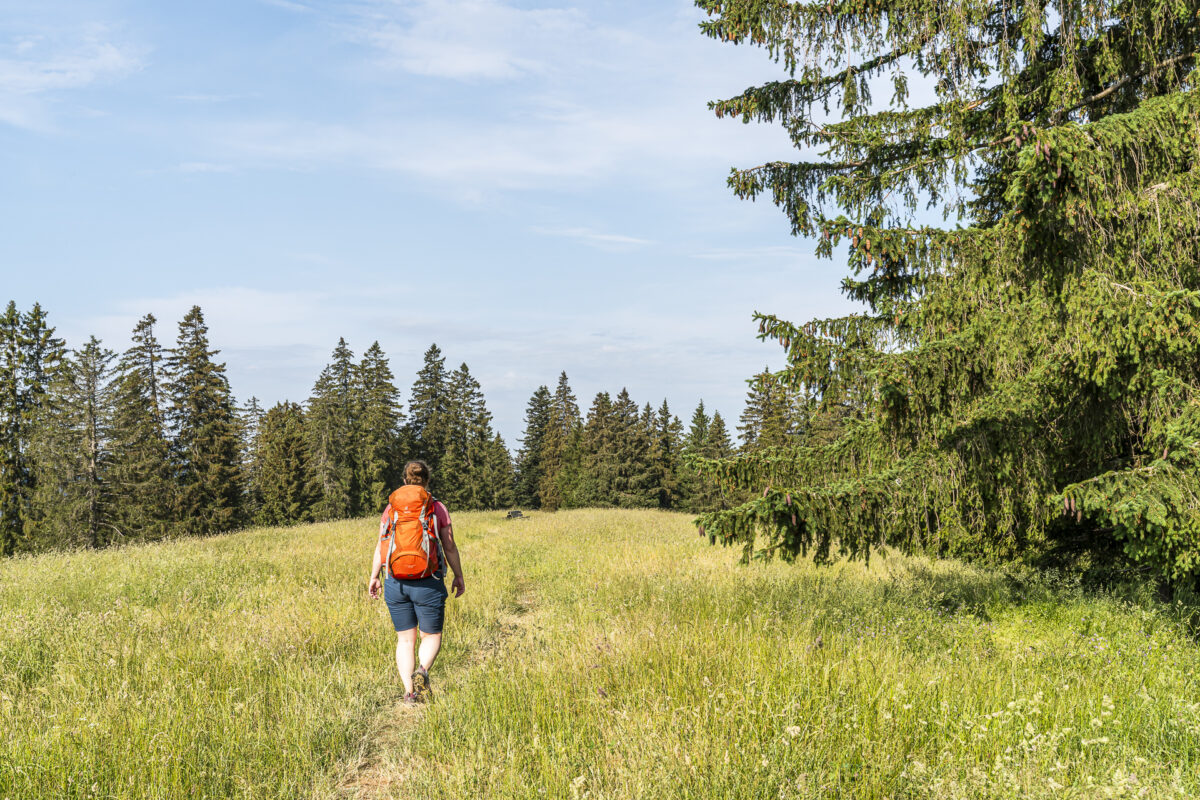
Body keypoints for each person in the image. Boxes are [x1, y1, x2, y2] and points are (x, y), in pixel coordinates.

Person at [368, 460, 465, 704]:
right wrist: (458, 575)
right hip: (428, 580)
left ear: (404, 481)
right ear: (427, 481)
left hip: (395, 582)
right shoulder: (436, 507)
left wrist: (374, 577)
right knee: (430, 637)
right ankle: (422, 671)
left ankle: (410, 693)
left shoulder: (391, 509)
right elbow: (449, 545)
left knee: (405, 639)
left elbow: (382, 545)